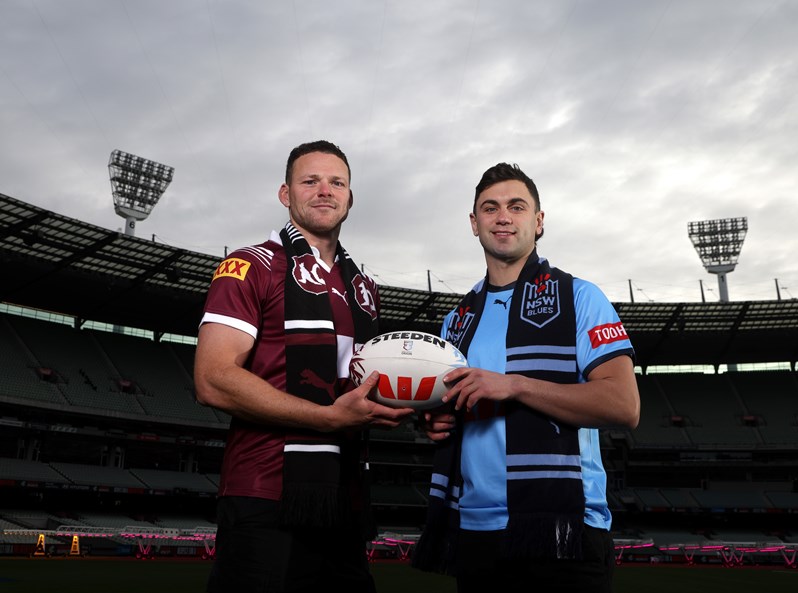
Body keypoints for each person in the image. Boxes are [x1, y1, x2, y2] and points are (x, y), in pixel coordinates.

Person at [194, 140, 412, 593]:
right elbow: (213, 380)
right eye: (309, 181)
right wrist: (328, 418)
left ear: (350, 197)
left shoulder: (364, 287)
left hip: (344, 498)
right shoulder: (250, 265)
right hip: (265, 496)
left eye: (337, 182)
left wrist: (418, 404)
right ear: (285, 193)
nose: (324, 191)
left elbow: (367, 384)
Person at [412, 163, 640, 592]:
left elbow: (623, 406)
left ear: (538, 222)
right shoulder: (455, 321)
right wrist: (437, 422)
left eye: (517, 207)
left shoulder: (580, 297)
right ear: (474, 223)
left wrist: (515, 384)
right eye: (490, 208)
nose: (503, 217)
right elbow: (451, 410)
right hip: (475, 529)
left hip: (564, 530)